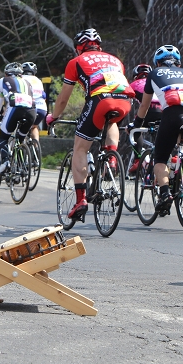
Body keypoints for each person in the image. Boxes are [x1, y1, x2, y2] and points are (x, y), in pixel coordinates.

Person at [46, 29, 134, 221]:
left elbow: (63, 99)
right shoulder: (115, 60)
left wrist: (53, 116)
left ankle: (80, 200)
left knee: (80, 149)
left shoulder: (76, 62)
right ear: (98, 46)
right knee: (111, 120)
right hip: (125, 101)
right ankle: (111, 159)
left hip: (100, 100)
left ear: (79, 47)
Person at [128, 45, 183, 215]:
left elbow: (145, 105)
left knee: (160, 159)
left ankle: (164, 194)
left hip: (172, 114)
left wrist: (136, 123)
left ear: (157, 62)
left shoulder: (154, 74)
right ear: (178, 62)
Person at [0, 62, 36, 173]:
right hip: (32, 111)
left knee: (3, 138)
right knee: (21, 139)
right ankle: (21, 168)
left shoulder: (3, 80)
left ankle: (6, 162)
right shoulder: (27, 82)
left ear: (6, 74)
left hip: (15, 109)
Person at [126, 63, 162, 174]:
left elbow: (128, 104)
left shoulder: (133, 84)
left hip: (148, 110)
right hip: (164, 111)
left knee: (134, 129)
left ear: (136, 76)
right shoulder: (157, 82)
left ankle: (137, 159)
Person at [20, 62, 47, 142]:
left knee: (20, 126)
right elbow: (44, 96)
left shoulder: (21, 79)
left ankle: (21, 146)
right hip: (42, 108)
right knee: (34, 127)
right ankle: (36, 149)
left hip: (28, 107)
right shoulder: (39, 81)